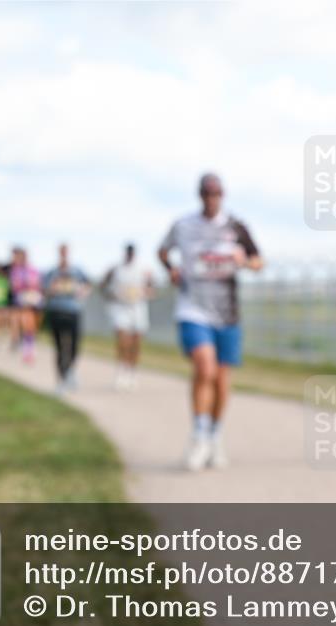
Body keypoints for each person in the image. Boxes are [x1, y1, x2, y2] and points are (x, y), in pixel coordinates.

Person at [159, 173, 263, 472]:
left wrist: (243, 261)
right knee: (204, 366)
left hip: (227, 311)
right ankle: (199, 434)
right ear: (199, 195)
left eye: (216, 193)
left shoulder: (236, 227)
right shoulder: (183, 226)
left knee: (221, 377)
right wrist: (172, 269)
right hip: (193, 307)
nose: (211, 198)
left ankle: (215, 435)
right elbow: (162, 251)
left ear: (223, 195)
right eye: (206, 193)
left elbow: (259, 261)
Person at [101, 243, 154, 390]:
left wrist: (146, 293)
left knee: (136, 343)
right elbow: (103, 286)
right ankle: (121, 371)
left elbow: (151, 288)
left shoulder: (143, 269)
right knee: (123, 340)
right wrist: (111, 295)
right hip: (120, 308)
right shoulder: (116, 269)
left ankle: (132, 371)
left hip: (138, 308)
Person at [44, 244, 90, 394]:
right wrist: (52, 289)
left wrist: (82, 292)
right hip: (56, 310)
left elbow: (87, 285)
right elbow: (44, 289)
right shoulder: (52, 272)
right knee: (59, 348)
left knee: (74, 346)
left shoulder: (77, 271)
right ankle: (61, 380)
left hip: (73, 310)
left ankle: (70, 370)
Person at [9, 247, 44, 364]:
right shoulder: (16, 270)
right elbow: (15, 286)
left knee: (31, 325)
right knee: (25, 322)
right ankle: (26, 348)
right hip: (23, 299)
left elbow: (37, 283)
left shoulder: (32, 269)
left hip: (32, 298)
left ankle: (28, 347)